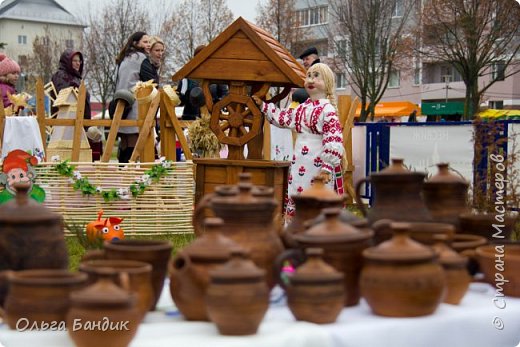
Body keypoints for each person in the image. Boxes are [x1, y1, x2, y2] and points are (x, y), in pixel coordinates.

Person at [253, 63, 344, 222]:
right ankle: (295, 228)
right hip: (300, 163)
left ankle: (317, 230)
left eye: (316, 76)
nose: (311, 79)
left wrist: (327, 167)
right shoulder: (302, 108)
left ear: (328, 83)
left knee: (317, 195)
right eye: (309, 76)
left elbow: (334, 138)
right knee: (297, 191)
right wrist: (264, 106)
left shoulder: (327, 110)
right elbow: (284, 119)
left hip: (318, 165)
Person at [114, 31, 154, 163]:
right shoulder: (141, 58)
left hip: (122, 106)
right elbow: (152, 80)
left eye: (149, 42)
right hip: (136, 108)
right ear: (136, 43)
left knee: (124, 144)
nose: (148, 45)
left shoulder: (124, 58)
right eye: (145, 42)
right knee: (134, 145)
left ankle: (122, 174)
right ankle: (130, 176)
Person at [177, 44, 228, 120]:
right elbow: (181, 99)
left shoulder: (217, 75)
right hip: (190, 119)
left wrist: (218, 104)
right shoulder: (187, 77)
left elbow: (225, 94)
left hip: (212, 119)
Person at [51, 49, 92, 119]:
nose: (78, 63)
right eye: (75, 61)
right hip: (66, 122)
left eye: (79, 61)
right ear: (67, 62)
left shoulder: (76, 78)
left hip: (77, 121)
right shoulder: (61, 76)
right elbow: (67, 96)